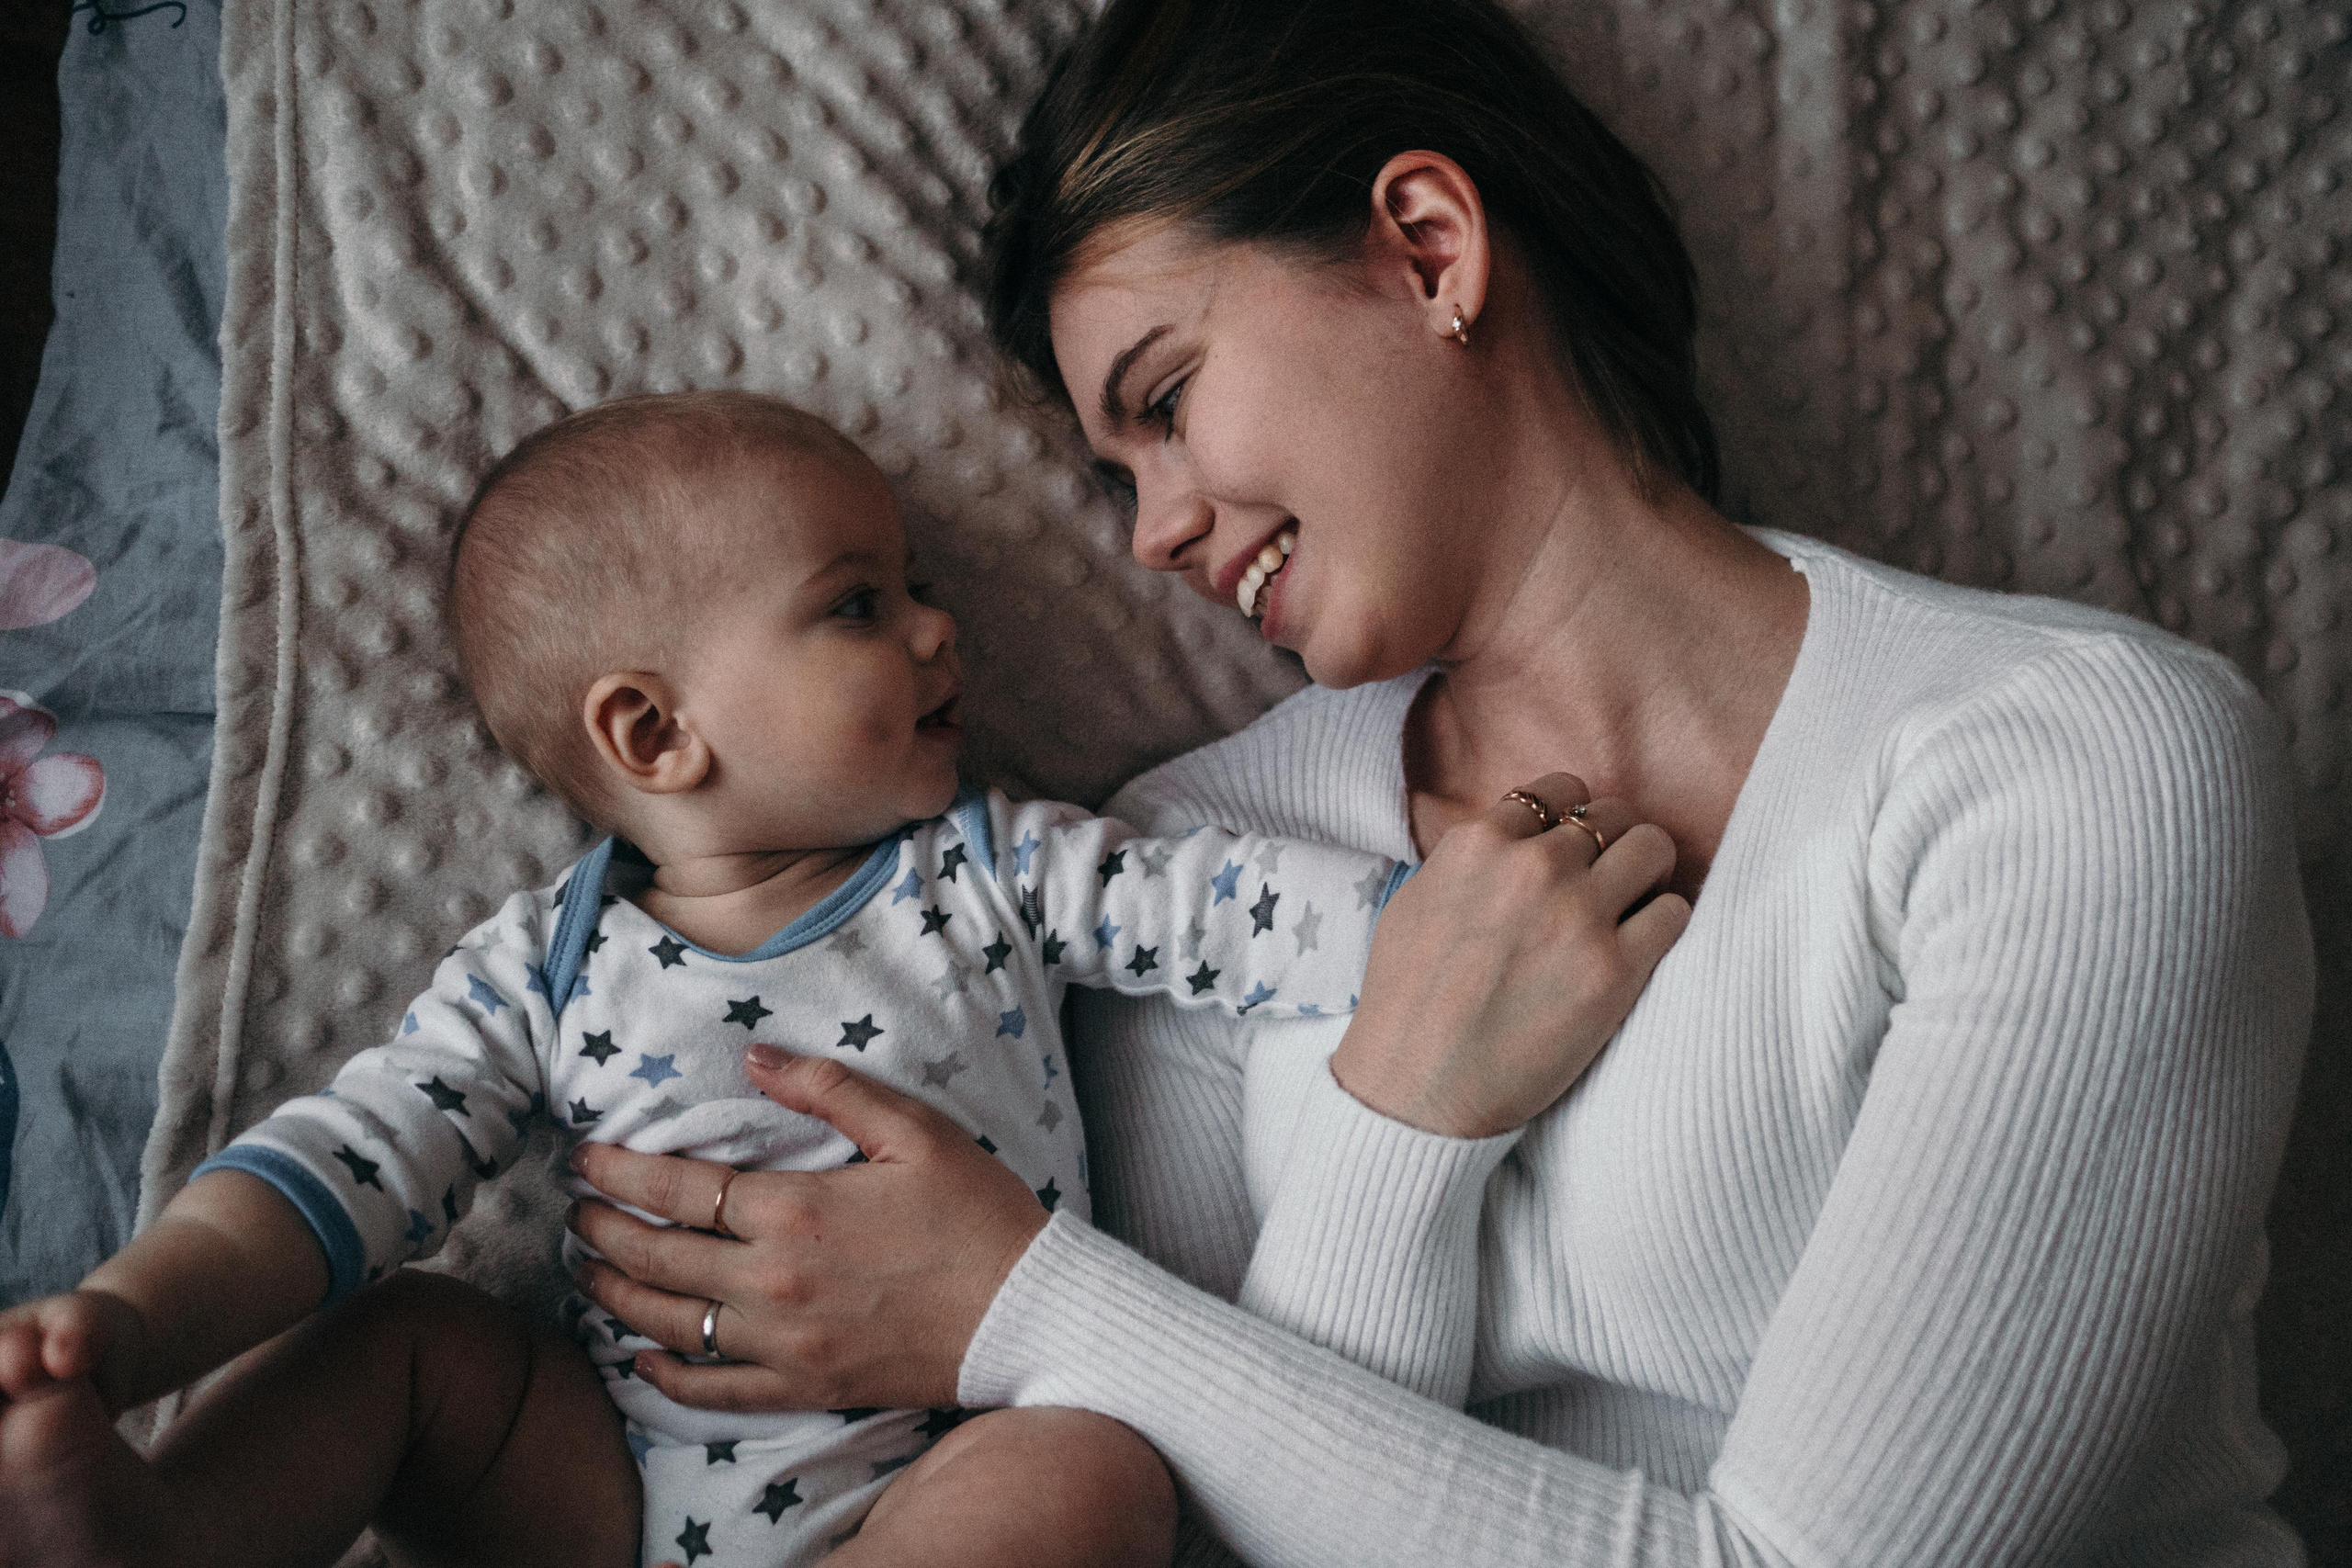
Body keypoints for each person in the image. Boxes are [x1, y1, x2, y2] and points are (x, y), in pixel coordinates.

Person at [546, 1, 2316, 1563]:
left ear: (1427, 245)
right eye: (1112, 481)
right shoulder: (1190, 868)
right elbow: (1206, 1536)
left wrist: (1018, 1298)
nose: (1157, 532)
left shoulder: (2076, 766)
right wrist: (1403, 1122)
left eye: (1165, 401)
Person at [0, 392, 1681, 1568]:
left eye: (924, 591)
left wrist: (1444, 915)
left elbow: (1226, 912)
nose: (943, 633)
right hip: (614, 1494)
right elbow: (335, 1175)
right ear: (656, 732)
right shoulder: (547, 968)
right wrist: (132, 1322)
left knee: (1091, 1475)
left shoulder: (993, 871)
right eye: (862, 605)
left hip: (929, 1493)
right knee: (411, 1348)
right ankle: (171, 1534)